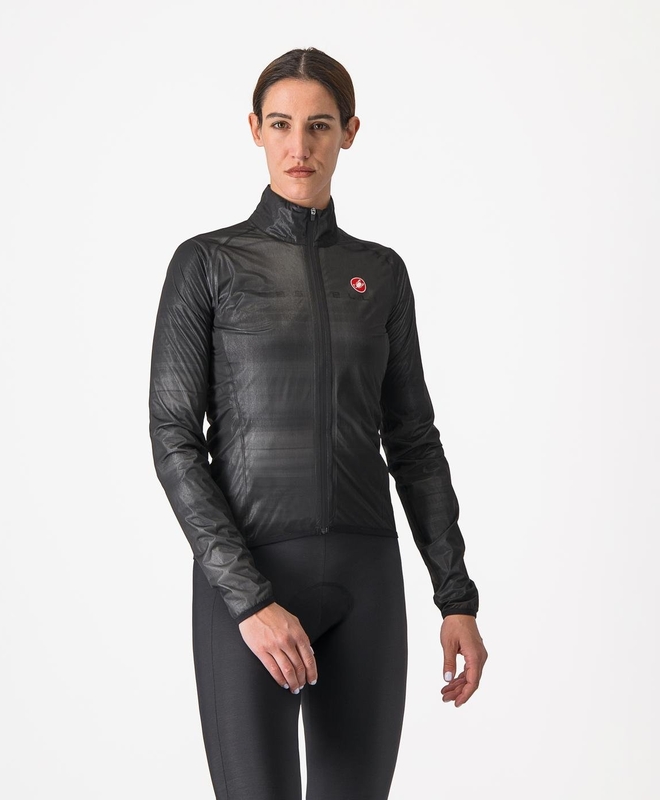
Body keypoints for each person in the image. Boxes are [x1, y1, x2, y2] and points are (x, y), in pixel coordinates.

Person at [148, 47, 487, 800]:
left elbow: (413, 439)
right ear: (255, 130)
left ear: (349, 132)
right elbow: (174, 439)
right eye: (281, 124)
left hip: (367, 581)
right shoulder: (207, 264)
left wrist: (455, 596)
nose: (299, 145)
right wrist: (249, 598)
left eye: (319, 125)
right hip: (251, 584)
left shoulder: (382, 272)